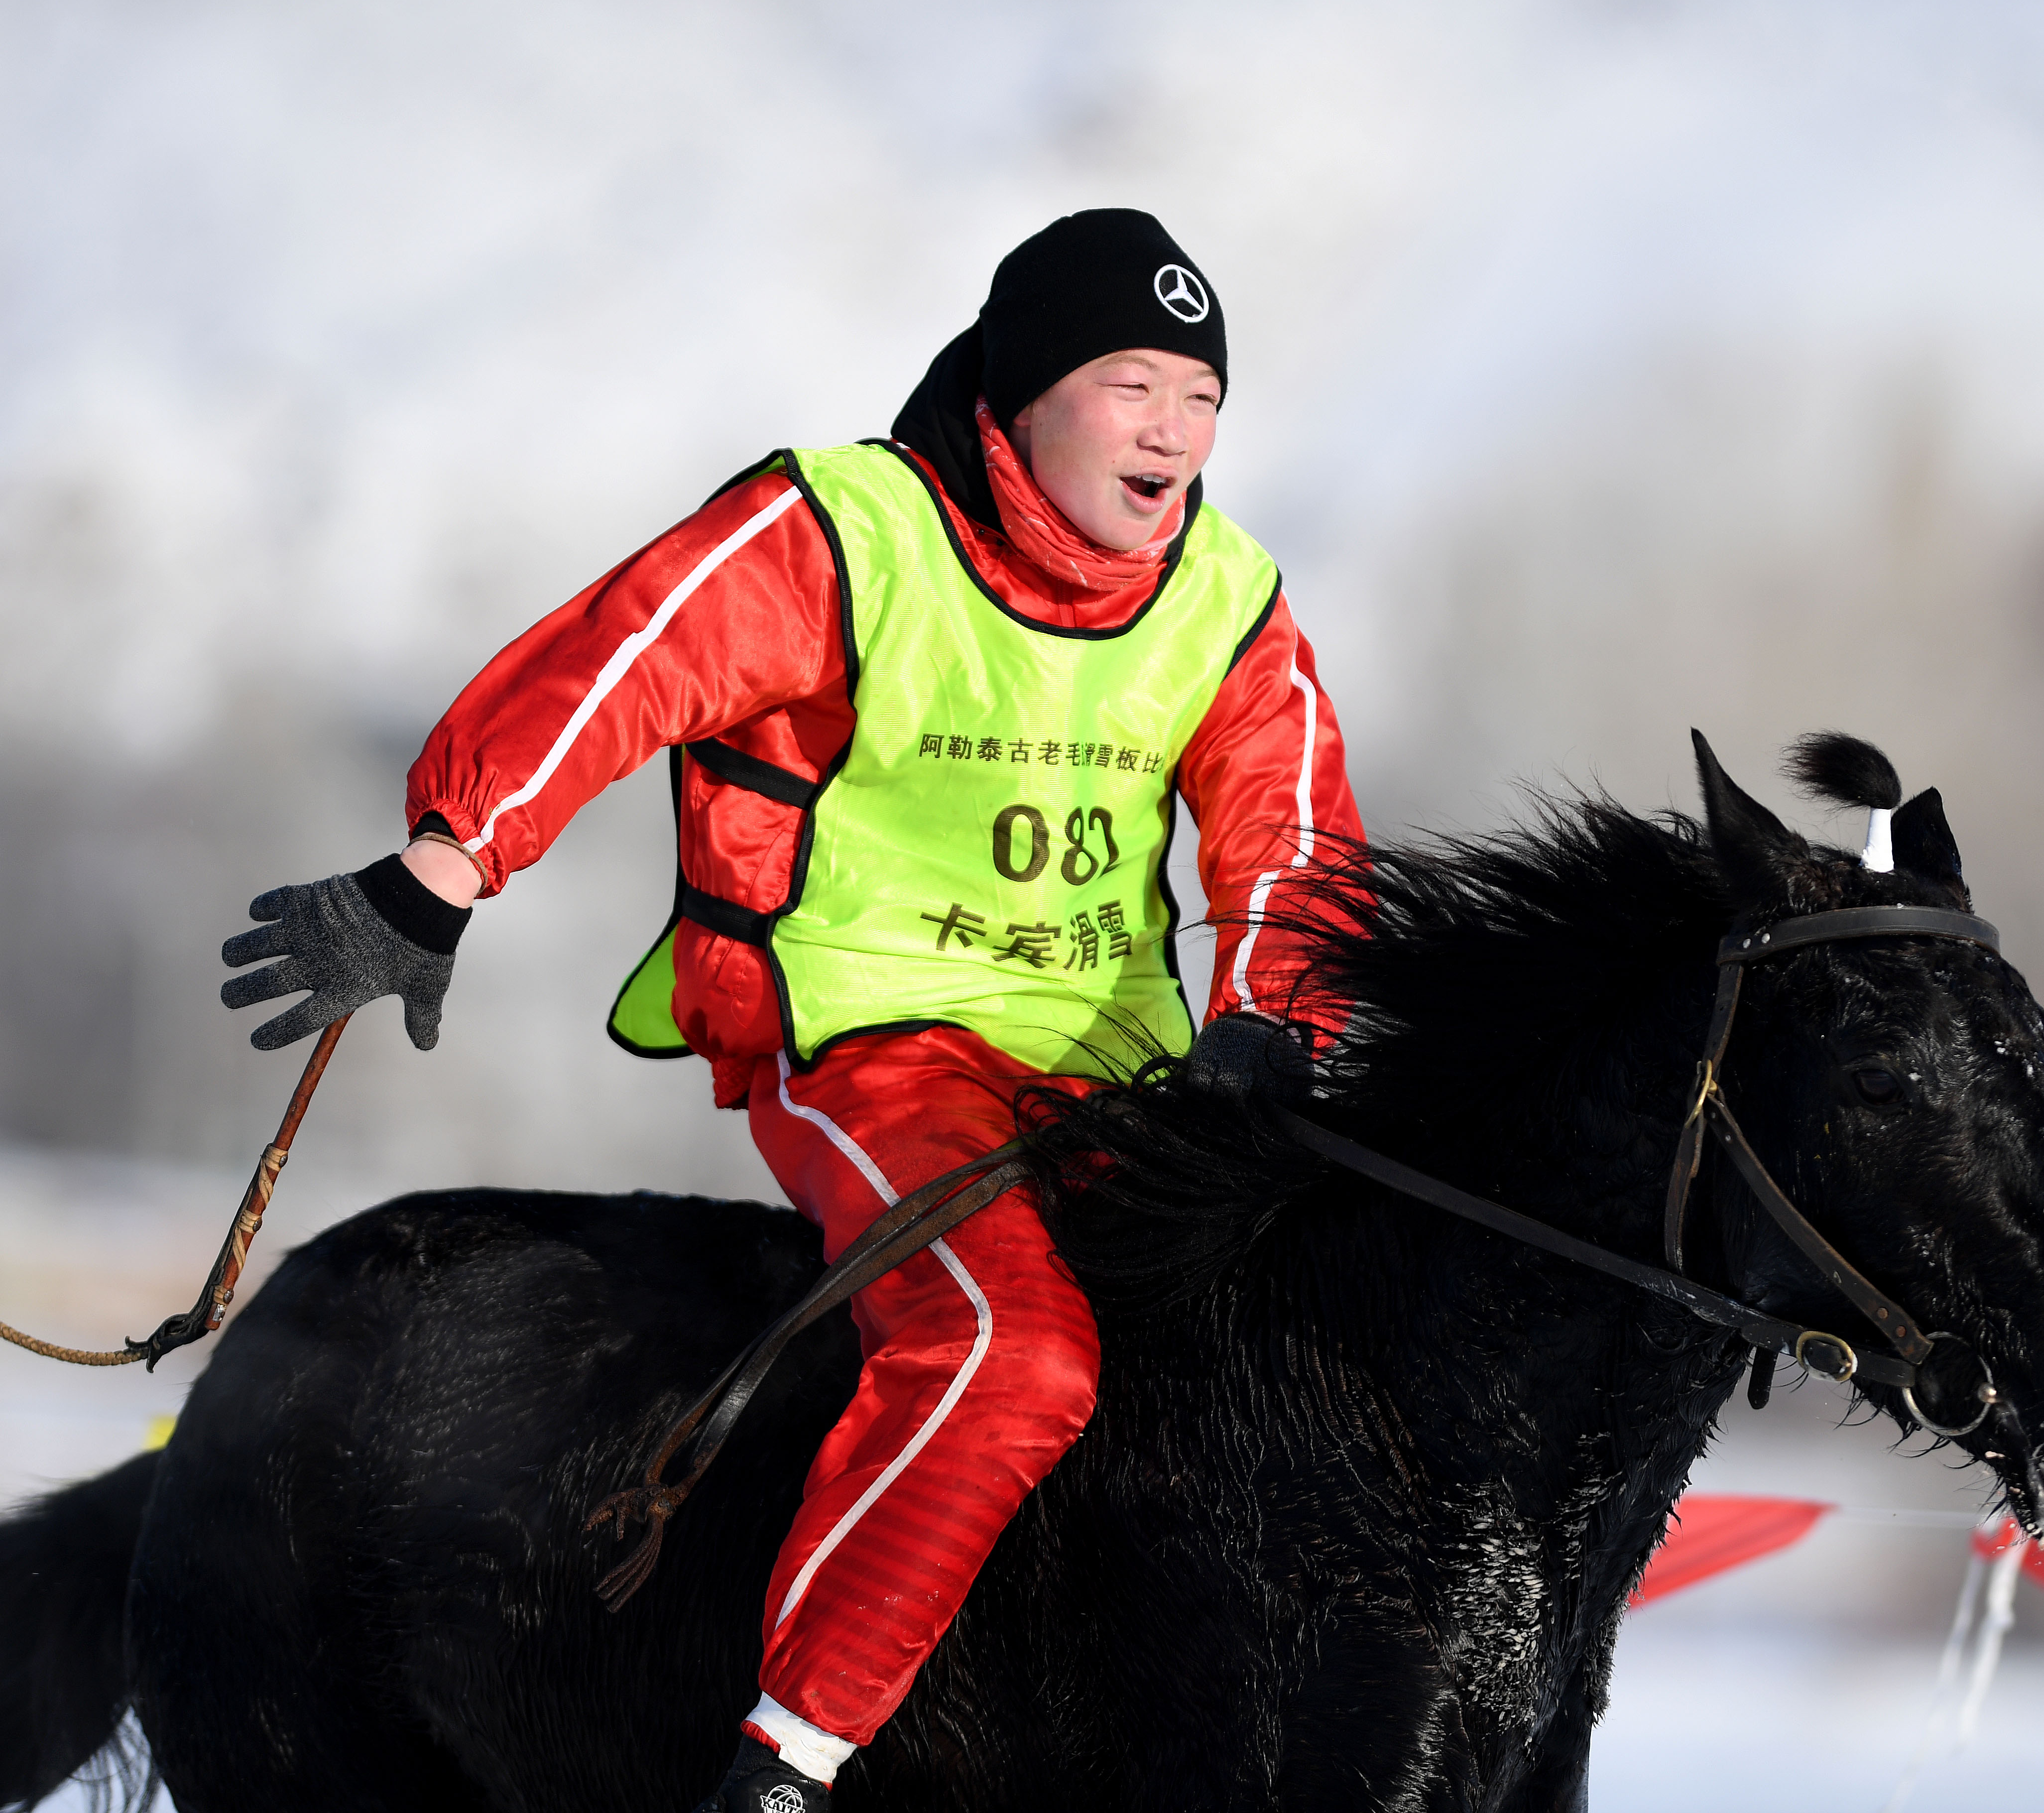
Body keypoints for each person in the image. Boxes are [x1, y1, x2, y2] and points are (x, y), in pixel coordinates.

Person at [218, 209, 1362, 1812]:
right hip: (874, 1045)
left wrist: (1269, 1017)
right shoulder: (852, 532)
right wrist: (449, 861)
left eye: (1199, 394)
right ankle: (786, 1763)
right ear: (1026, 392)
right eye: (1129, 382)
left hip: (1122, 1078)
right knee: (1013, 1356)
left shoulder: (1228, 598)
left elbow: (1293, 839)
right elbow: (629, 658)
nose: (1173, 431)